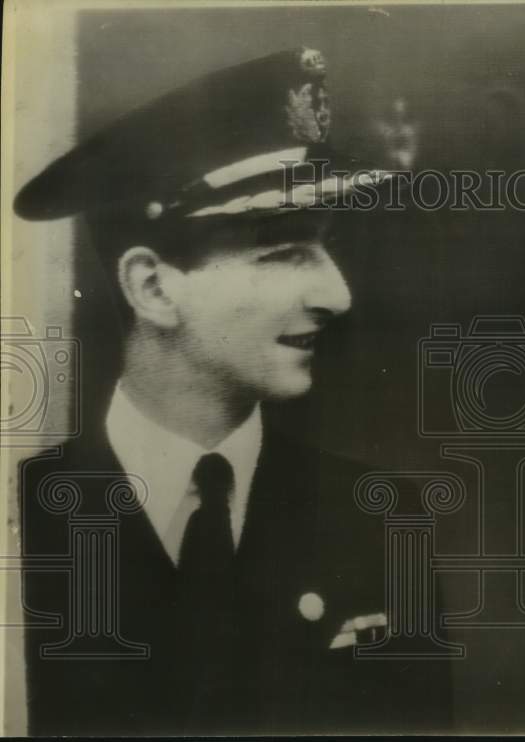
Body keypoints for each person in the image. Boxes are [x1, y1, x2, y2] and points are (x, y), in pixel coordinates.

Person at [15, 47, 452, 735]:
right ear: (153, 287)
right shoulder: (23, 524)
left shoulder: (387, 525)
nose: (337, 294)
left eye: (326, 247)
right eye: (285, 253)